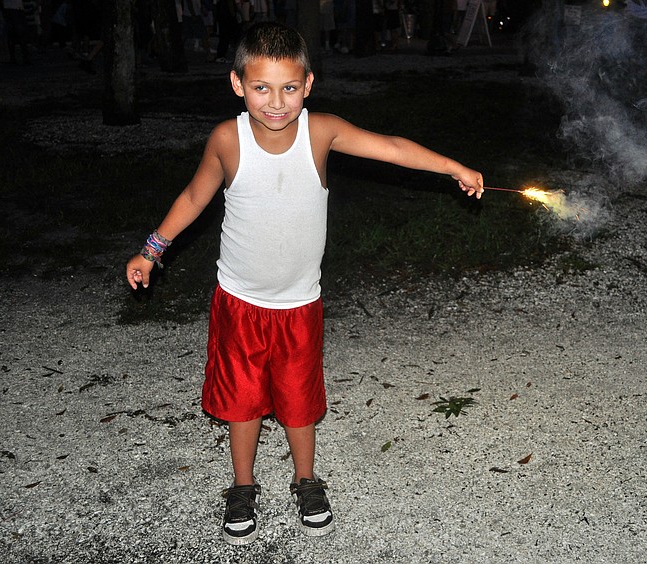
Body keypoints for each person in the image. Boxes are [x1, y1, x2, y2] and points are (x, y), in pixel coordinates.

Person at [125, 22, 483, 545]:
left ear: (308, 85)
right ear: (237, 85)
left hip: (299, 304)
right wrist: (151, 250)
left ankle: (306, 480)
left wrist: (452, 167)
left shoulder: (322, 132)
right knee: (242, 401)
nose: (276, 102)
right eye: (261, 88)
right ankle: (242, 486)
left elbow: (391, 147)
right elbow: (194, 199)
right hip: (240, 301)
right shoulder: (228, 139)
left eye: (289, 88)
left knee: (298, 398)